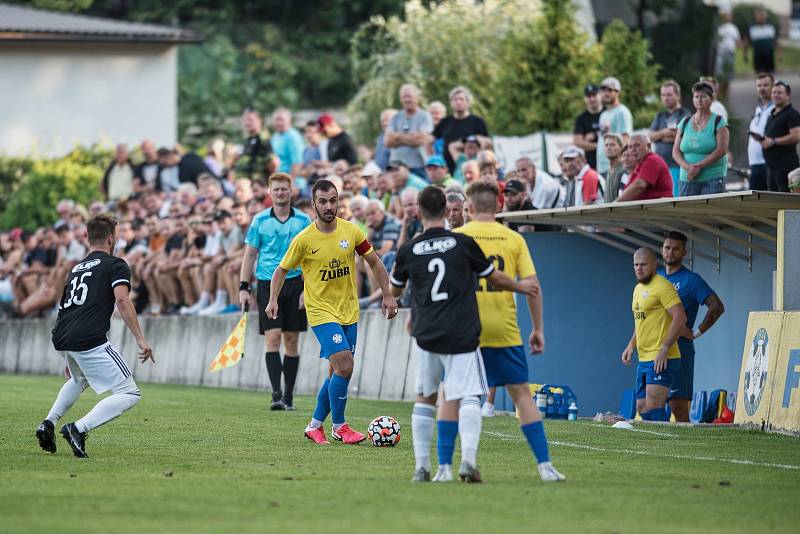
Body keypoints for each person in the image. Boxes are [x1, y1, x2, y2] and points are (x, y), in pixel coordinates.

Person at [390, 186, 541, 483]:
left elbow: (395, 291)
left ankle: (422, 468)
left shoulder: (409, 250)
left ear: (419, 213)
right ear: (447, 212)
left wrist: (403, 304)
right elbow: (493, 276)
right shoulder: (462, 243)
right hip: (461, 332)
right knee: (469, 395)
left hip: (426, 333)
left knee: (426, 397)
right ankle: (467, 461)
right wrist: (521, 287)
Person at [267, 179, 398, 445]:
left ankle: (315, 426)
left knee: (335, 372)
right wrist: (273, 300)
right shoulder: (304, 239)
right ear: (314, 204)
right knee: (346, 365)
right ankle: (340, 426)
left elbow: (374, 261)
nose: (329, 206)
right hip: (321, 312)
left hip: (348, 310)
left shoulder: (351, 232)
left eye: (333, 200)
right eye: (323, 202)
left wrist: (387, 294)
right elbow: (281, 270)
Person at [455, 181, 565, 482]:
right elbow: (533, 286)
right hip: (504, 330)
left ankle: (457, 463)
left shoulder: (458, 237)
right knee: (522, 397)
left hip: (465, 332)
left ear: (470, 207)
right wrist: (538, 329)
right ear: (499, 206)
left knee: (459, 398)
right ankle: (545, 467)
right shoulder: (514, 239)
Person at [38, 215, 155, 458]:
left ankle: (48, 423)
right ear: (111, 238)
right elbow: (122, 301)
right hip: (87, 337)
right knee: (129, 393)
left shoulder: (75, 268)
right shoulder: (116, 264)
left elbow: (65, 308)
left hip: (62, 335)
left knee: (80, 380)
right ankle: (78, 429)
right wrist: (141, 339)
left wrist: (67, 354)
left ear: (86, 238)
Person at [239, 173, 312, 410]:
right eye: (276, 189)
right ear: (269, 193)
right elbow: (250, 254)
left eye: (284, 189)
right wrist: (243, 286)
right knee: (272, 337)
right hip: (267, 282)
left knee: (291, 340)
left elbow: (312, 257)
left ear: (291, 191)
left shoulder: (303, 220)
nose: (280, 193)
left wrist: (307, 288)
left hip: (295, 282)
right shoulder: (259, 220)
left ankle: (289, 395)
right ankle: (276, 394)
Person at [659, 232, 725, 422]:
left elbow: (717, 306)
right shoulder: (656, 278)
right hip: (654, 350)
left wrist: (696, 333)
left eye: (675, 248)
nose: (670, 252)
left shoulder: (691, 280)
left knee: (677, 407)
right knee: (651, 404)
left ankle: (682, 446)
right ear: (661, 250)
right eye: (667, 247)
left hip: (680, 351)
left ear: (684, 252)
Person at [621, 248, 686, 422]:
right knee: (642, 407)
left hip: (662, 356)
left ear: (654, 264)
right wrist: (631, 345)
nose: (638, 268)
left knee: (654, 404)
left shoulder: (663, 286)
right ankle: (655, 442)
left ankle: (669, 442)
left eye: (643, 264)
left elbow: (680, 317)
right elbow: (641, 321)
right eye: (635, 265)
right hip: (644, 358)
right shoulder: (637, 289)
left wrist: (665, 348)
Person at [672, 81, 729, 197]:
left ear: (711, 99)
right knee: (688, 212)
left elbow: (721, 150)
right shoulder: (685, 122)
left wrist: (699, 166)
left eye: (703, 96)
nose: (699, 100)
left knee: (709, 212)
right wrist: (689, 168)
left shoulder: (719, 122)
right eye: (696, 97)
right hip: (688, 177)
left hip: (712, 177)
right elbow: (675, 151)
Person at [433, 86, 490, 174]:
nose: (458, 102)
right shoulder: (445, 122)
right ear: (451, 102)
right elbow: (430, 140)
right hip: (448, 169)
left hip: (471, 170)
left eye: (461, 99)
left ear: (468, 102)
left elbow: (488, 143)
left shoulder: (477, 121)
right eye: (455, 99)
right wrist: (433, 158)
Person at [649, 81, 691, 196]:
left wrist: (660, 136)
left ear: (677, 96)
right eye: (663, 95)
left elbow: (682, 136)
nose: (666, 98)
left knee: (675, 201)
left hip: (677, 168)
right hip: (660, 169)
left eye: (669, 95)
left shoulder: (685, 115)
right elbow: (650, 136)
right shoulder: (660, 116)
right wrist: (663, 133)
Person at [385, 84, 434, 178]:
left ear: (417, 98)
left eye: (409, 96)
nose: (407, 99)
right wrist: (410, 138)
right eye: (404, 97)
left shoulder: (425, 116)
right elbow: (387, 142)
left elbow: (420, 141)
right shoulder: (396, 117)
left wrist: (397, 136)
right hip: (396, 167)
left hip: (418, 167)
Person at [761, 81, 800, 193]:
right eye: (773, 92)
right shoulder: (772, 114)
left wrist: (774, 141)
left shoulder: (792, 114)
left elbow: (796, 136)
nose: (775, 95)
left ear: (788, 96)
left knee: (786, 201)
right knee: (773, 202)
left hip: (786, 167)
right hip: (771, 167)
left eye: (779, 93)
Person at [616, 134, 674, 202]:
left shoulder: (652, 160)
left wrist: (615, 204)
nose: (633, 150)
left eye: (637, 145)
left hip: (658, 209)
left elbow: (639, 186)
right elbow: (629, 189)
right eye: (630, 147)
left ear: (648, 146)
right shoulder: (639, 166)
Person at [596, 77, 633, 176]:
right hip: (602, 167)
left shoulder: (622, 112)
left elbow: (625, 140)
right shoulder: (603, 114)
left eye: (610, 90)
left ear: (617, 92)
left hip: (615, 167)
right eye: (603, 90)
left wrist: (619, 164)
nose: (606, 93)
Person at [747, 73, 775, 191]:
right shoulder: (758, 108)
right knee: (755, 202)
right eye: (759, 85)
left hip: (769, 163)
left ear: (773, 86)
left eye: (765, 85)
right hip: (755, 163)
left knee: (772, 200)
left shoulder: (776, 108)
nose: (762, 88)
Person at [573, 84, 604, 170]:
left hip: (608, 163)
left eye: (594, 95)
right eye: (588, 96)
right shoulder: (581, 118)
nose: (591, 99)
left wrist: (592, 136)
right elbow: (577, 142)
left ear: (600, 95)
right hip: (591, 165)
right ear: (585, 99)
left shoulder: (607, 113)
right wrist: (600, 146)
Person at [270, 108, 305, 176]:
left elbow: (298, 163)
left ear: (289, 120)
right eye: (276, 120)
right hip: (278, 178)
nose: (279, 123)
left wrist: (290, 182)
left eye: (281, 120)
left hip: (291, 180)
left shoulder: (293, 136)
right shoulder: (275, 136)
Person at [239, 110, 272, 179]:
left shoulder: (264, 139)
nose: (247, 123)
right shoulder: (249, 140)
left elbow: (273, 162)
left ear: (259, 121)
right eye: (245, 120)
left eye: (250, 120)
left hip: (260, 184)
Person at [715, 11, 741, 100]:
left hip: (730, 53)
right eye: (726, 16)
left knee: (729, 75)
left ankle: (725, 95)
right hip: (720, 54)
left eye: (729, 16)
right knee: (719, 74)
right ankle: (718, 95)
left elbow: (738, 41)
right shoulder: (719, 27)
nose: (727, 17)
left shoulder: (734, 28)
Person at [745, 8, 778, 74]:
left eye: (760, 16)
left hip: (769, 56)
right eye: (756, 17)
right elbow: (747, 42)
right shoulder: (752, 28)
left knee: (769, 75)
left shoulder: (770, 27)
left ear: (764, 17)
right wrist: (745, 53)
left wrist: (779, 54)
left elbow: (776, 42)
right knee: (760, 75)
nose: (758, 18)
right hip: (758, 56)